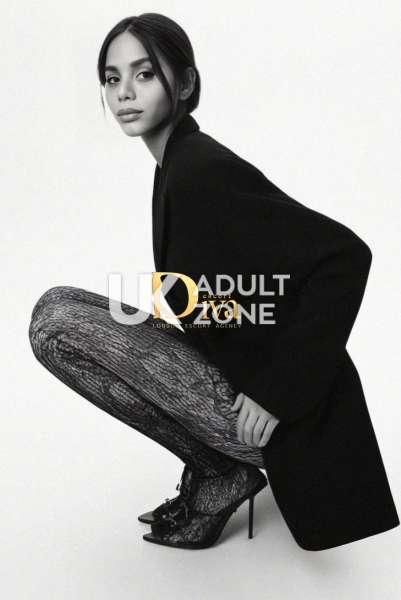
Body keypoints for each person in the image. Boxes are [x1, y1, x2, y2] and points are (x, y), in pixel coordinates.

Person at [28, 13, 399, 552]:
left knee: (57, 324)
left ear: (184, 83)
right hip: (233, 374)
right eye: (112, 78)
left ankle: (222, 472)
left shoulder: (200, 170)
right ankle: (217, 470)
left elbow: (346, 257)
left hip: (284, 417)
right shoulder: (175, 165)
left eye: (144, 74)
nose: (124, 92)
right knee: (56, 306)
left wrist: (276, 394)